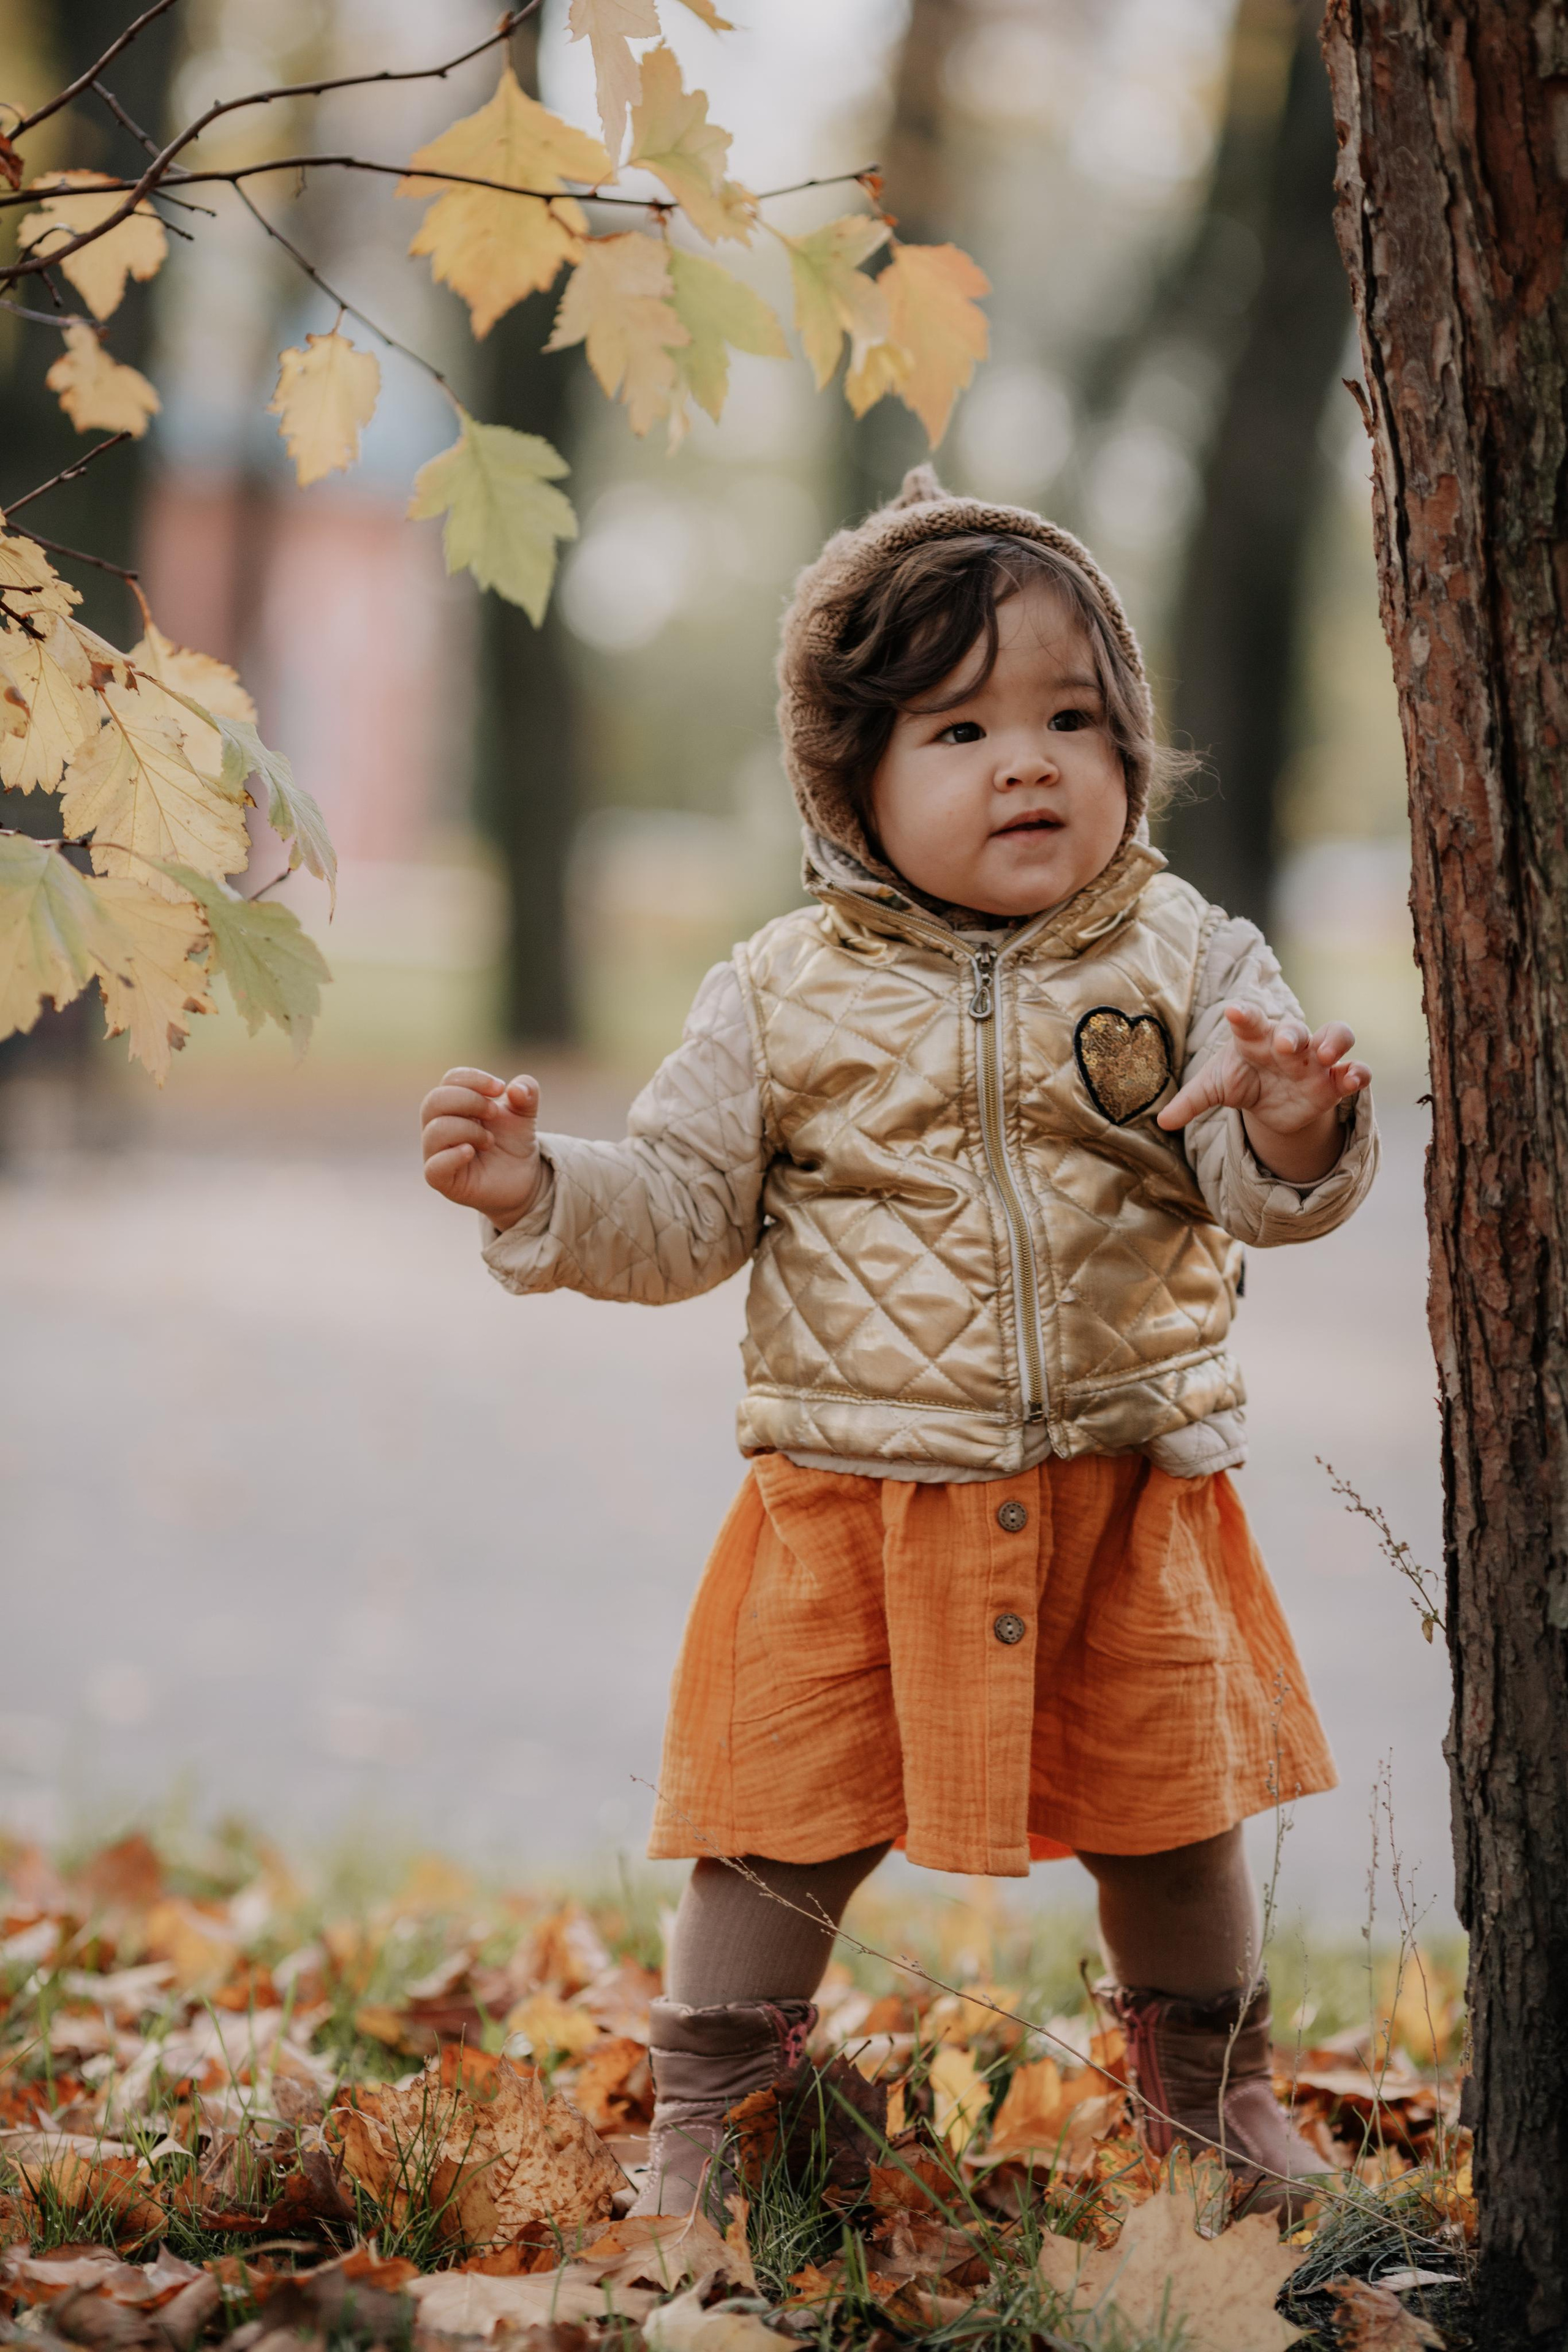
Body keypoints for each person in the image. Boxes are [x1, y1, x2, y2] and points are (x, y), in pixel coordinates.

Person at [419, 467, 1377, 2216]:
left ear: (1129, 742)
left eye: (1071, 718)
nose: (1028, 764)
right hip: (855, 1496)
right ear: (848, 778)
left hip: (1126, 1481)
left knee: (1174, 1819)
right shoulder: (778, 988)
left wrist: (1297, 1125)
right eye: (960, 730)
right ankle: (715, 2119)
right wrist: (539, 1189)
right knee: (776, 1823)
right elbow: (685, 1208)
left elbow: (1255, 1188)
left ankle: (1213, 2102)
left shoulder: (1192, 955)